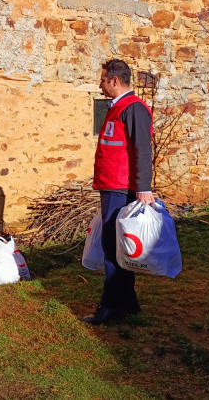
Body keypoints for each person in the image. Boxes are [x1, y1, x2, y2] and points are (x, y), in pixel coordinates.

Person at [84, 58, 154, 325]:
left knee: (113, 247)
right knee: (117, 245)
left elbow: (142, 150)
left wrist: (143, 187)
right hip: (110, 184)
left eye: (103, 80)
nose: (100, 85)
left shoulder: (133, 108)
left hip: (120, 187)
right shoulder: (117, 108)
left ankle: (111, 307)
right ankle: (127, 301)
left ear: (115, 81)